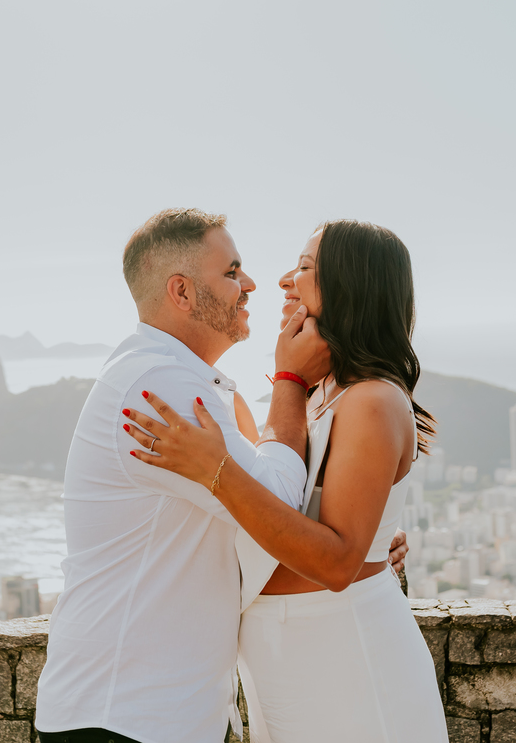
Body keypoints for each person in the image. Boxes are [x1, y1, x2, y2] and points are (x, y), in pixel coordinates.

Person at [34, 209, 407, 743]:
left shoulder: (198, 385)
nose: (253, 284)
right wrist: (289, 378)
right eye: (232, 272)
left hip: (151, 713)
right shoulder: (159, 385)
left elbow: (266, 505)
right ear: (182, 293)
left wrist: (369, 536)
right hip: (125, 716)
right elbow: (273, 490)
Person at [121, 220, 448, 742]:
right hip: (287, 657)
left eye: (304, 267)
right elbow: (283, 507)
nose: (282, 281)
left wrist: (217, 472)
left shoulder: (372, 401)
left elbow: (339, 562)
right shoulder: (321, 395)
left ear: (351, 282)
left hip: (343, 652)